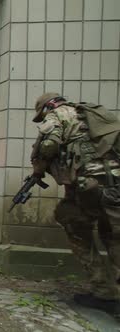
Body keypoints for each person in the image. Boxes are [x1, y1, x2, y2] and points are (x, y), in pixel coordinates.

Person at [31, 92, 120, 316]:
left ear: (47, 107)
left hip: (90, 185)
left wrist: (39, 169)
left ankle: (105, 291)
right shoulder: (94, 116)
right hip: (116, 184)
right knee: (113, 235)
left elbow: (48, 144)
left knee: (71, 221)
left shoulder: (58, 115)